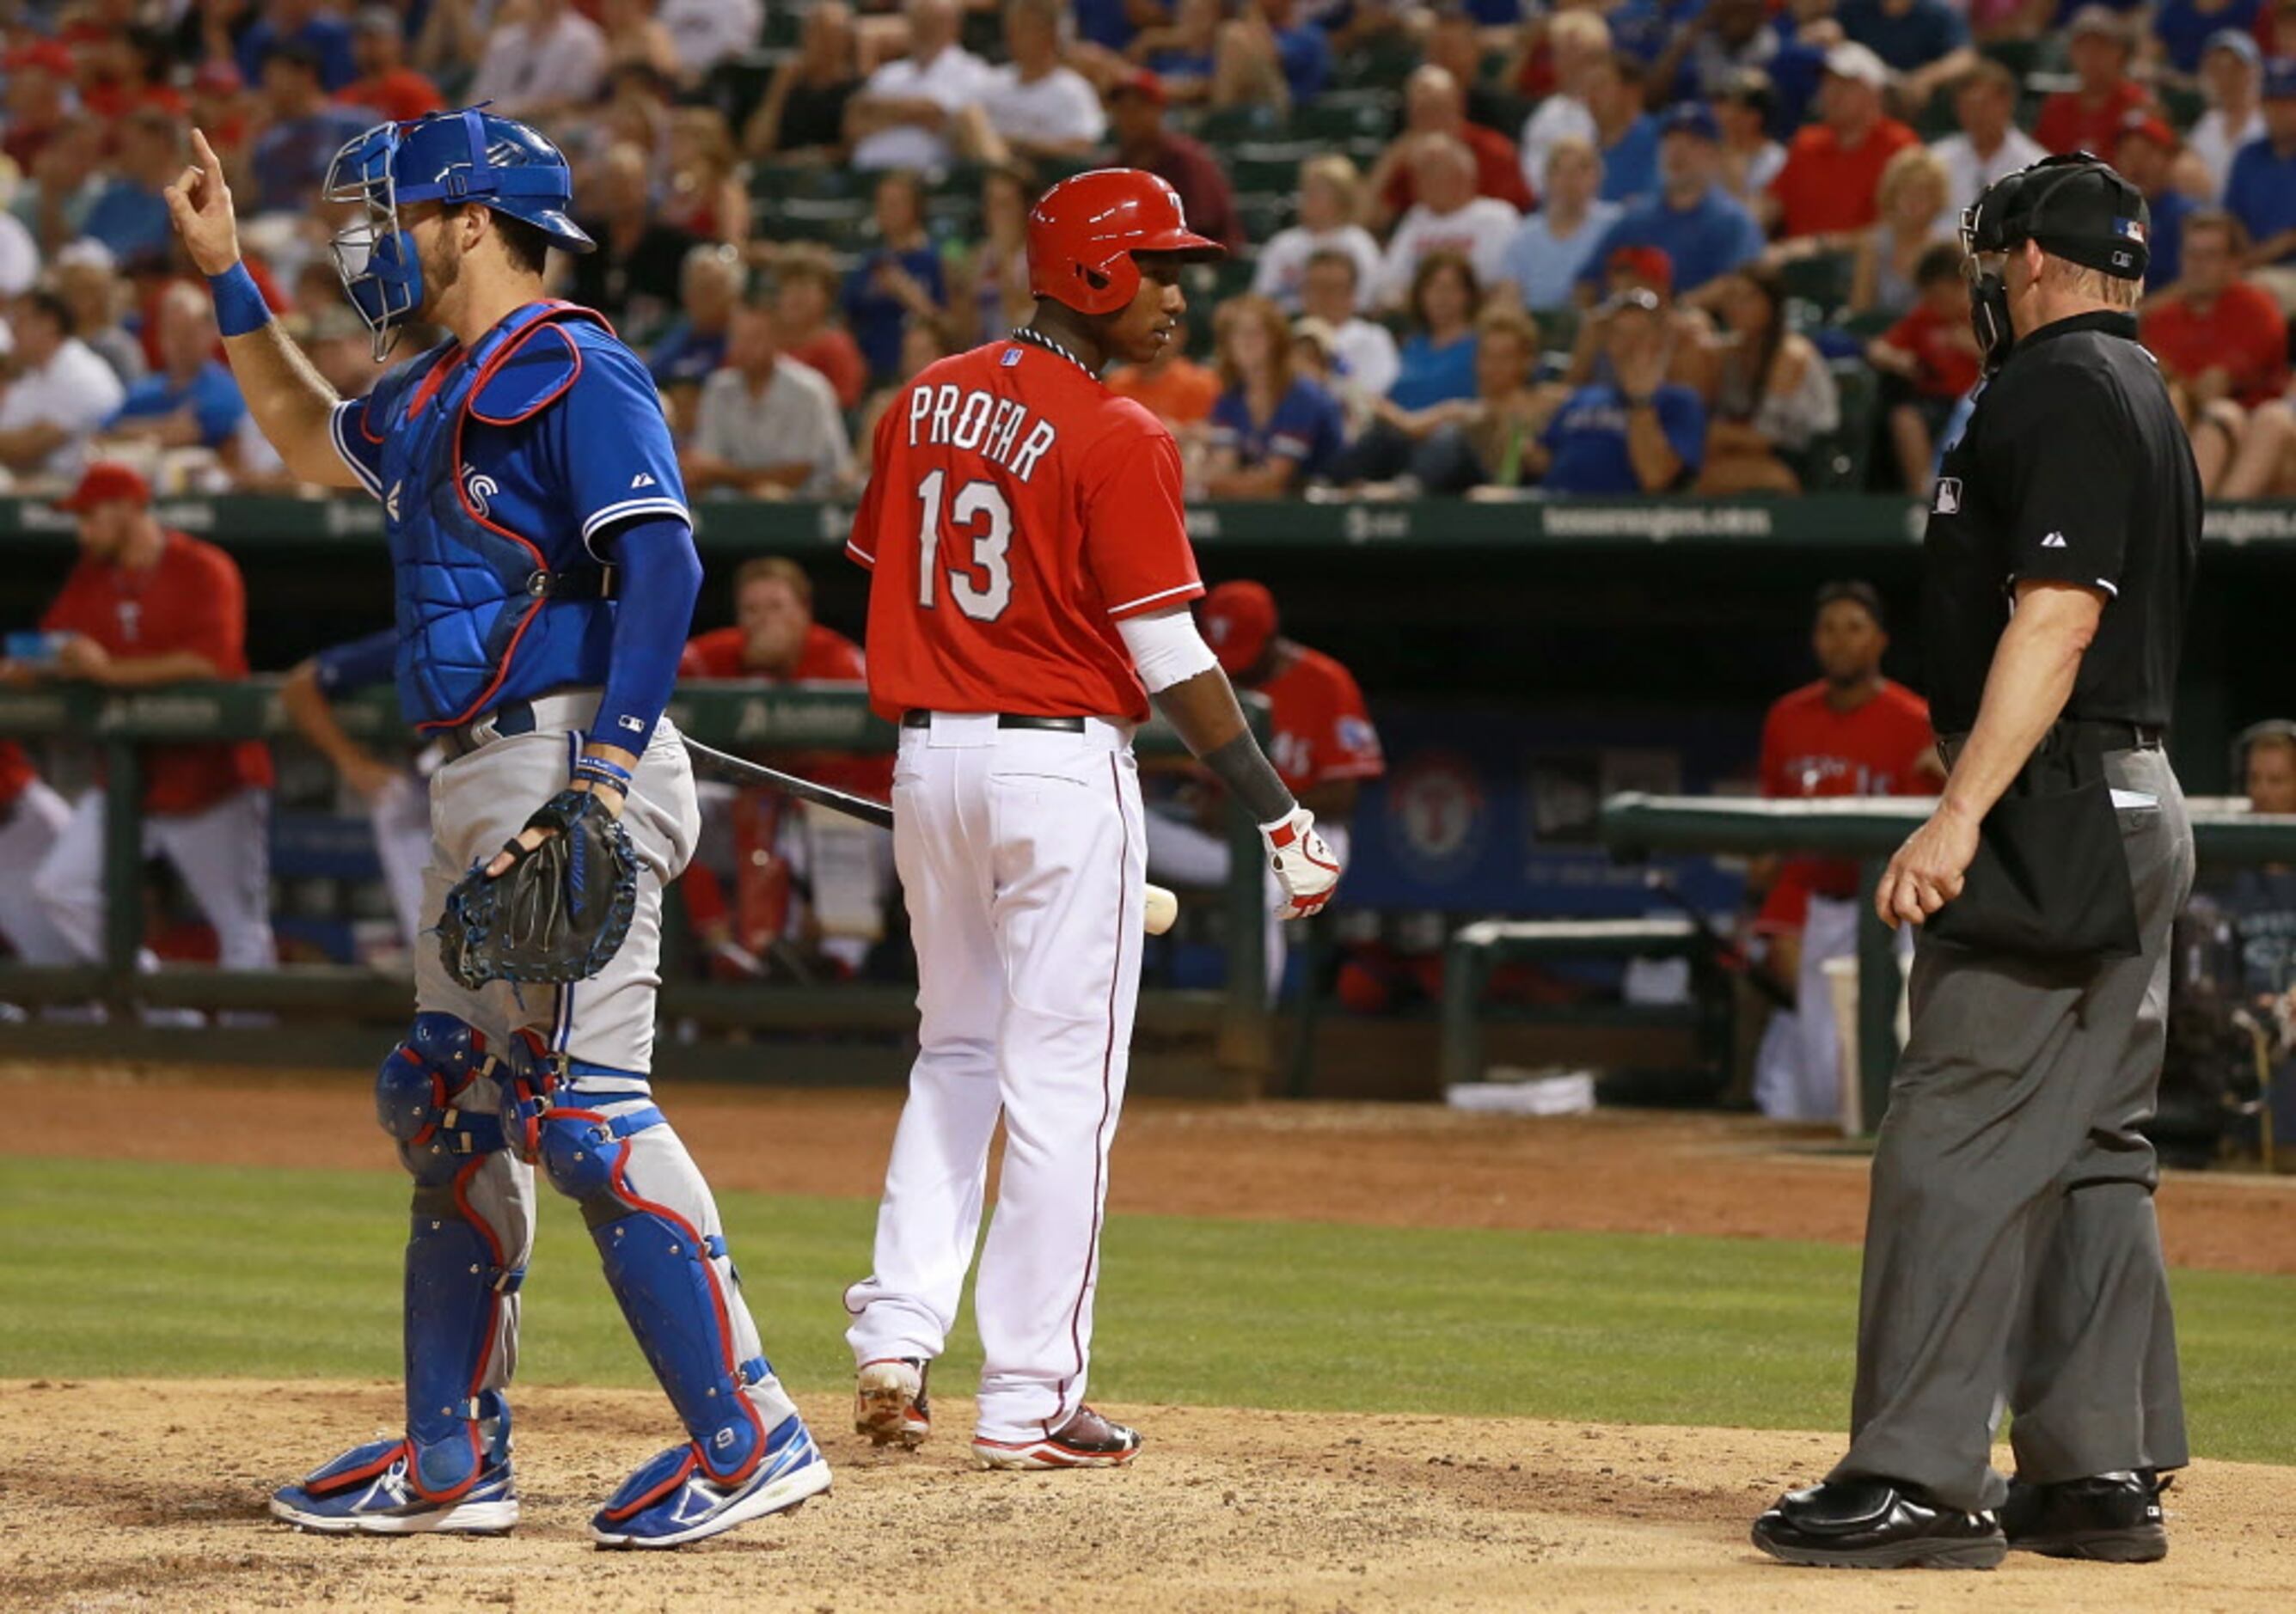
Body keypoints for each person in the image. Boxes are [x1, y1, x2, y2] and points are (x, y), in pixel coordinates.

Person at [169, 105, 830, 1544]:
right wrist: (228, 276)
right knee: (449, 1095)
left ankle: (752, 1431)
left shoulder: (574, 361)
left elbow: (660, 560)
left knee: (586, 1115)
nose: (376, 241)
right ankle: (453, 1455)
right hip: (475, 775)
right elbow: (294, 432)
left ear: (471, 221)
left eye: (398, 213)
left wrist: (609, 767)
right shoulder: (427, 388)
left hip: (567, 765)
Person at [840, 168, 1340, 1469]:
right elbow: (1169, 654)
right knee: (1059, 1084)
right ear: (1096, 274)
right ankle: (1027, 1397)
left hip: (927, 760)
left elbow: (885, 580)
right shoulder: (1119, 431)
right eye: (1161, 269)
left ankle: (894, 1335)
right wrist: (1280, 816)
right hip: (1059, 764)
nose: (1179, 295)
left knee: (952, 1053)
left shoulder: (920, 400)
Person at [1754, 153, 2200, 1571]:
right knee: (2087, 1145)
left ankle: (1919, 1474)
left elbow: (2057, 616)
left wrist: (1957, 811)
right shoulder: (2142, 385)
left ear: (2023, 261)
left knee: (1952, 1118)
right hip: (2129, 794)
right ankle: (2092, 1469)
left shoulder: (2061, 385)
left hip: (2056, 800)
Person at [21, 462, 278, 981]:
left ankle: (248, 1047)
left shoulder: (204, 567)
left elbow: (210, 661)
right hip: (128, 780)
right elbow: (54, 643)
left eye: (90, 517)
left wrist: (108, 672)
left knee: (239, 926)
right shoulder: (93, 575)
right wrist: (41, 662)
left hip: (212, 780)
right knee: (60, 887)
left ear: (128, 509)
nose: (82, 530)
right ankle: (166, 1015)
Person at [1746, 582, 1939, 1123]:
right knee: (1817, 1067)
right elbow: (1773, 829)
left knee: (1896, 1043)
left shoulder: (1916, 720)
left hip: (1893, 907)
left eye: (1854, 628)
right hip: (1816, 898)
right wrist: (1774, 911)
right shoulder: (1787, 717)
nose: (1840, 641)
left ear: (1879, 640)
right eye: (1829, 629)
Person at [1146, 579, 1382, 991]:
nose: (1234, 668)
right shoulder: (1205, 681)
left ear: (1272, 637)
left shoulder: (1327, 682)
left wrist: (1249, 814)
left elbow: (1343, 797)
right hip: (1219, 840)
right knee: (1115, 825)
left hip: (1304, 840)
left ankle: (1248, 1034)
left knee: (1265, 893)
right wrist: (1199, 796)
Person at [677, 559, 890, 978]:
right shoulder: (719, 656)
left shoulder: (843, 664)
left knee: (820, 831)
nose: (763, 620)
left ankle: (838, 970)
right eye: (751, 610)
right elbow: (661, 673)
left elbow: (884, 770)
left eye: (776, 607)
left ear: (803, 611)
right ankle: (725, 951)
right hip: (760, 820)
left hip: (851, 820)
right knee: (687, 803)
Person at [280, 630, 434, 949]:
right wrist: (353, 763)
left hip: (503, 794)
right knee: (394, 798)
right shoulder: (426, 638)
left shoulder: (529, 637)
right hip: (435, 793)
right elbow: (299, 687)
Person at [2148, 211, 2288, 491]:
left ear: (2233, 262)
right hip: (2189, 430)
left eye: (2210, 256)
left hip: (2255, 431)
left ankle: (2205, 520)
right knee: (2175, 400)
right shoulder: (2160, 321)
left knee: (2231, 415)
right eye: (2191, 255)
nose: (2198, 266)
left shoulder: (2258, 309)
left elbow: (2214, 387)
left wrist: (2182, 382)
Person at [1577, 104, 1765, 302]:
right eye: (1670, 141)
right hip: (1631, 325)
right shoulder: (1637, 216)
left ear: (1714, 155)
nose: (1678, 151)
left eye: (1693, 143)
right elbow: (1587, 280)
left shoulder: (1731, 221)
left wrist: (1677, 309)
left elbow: (1741, 283)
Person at [1529, 288, 1706, 493]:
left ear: (1658, 342)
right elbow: (1540, 460)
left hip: (1620, 519)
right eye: (1620, 334)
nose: (1628, 345)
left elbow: (1655, 478)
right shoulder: (1583, 397)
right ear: (1608, 343)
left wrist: (1641, 401)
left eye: (1639, 335)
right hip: (1552, 509)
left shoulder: (1680, 401)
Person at [683, 298, 854, 498]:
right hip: (740, 504)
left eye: (754, 338)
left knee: (773, 494)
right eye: (737, 338)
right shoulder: (718, 388)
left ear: (777, 339)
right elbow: (705, 463)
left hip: (815, 506)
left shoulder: (809, 390)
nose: (744, 347)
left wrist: (724, 474)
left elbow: (795, 475)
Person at [1693, 263, 1840, 493]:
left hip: (1801, 458)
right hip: (1745, 452)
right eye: (1730, 297)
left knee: (1706, 477)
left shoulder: (1791, 354)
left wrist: (1717, 434)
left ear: (1772, 304)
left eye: (1748, 298)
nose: (1736, 307)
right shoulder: (1728, 353)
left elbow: (1769, 436)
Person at [1766, 43, 1920, 241]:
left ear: (1874, 93)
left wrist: (1825, 246)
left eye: (1845, 85)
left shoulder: (1900, 145)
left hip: (1865, 265)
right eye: (1827, 83)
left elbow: (1901, 225)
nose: (1832, 93)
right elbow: (1771, 204)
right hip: (1795, 264)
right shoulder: (1806, 142)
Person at [1199, 293, 1349, 495]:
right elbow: (1222, 465)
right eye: (1235, 334)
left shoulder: (1301, 395)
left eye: (1255, 333)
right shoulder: (1231, 396)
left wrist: (1207, 484)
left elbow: (1274, 481)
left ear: (1276, 340)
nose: (1245, 342)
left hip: (1329, 502)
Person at [1867, 241, 1984, 492]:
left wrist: (1975, 348)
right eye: (1929, 297)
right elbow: (1877, 349)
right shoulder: (1925, 318)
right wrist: (1899, 359)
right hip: (1933, 402)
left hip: (1976, 403)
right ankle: (1925, 494)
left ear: (1961, 286)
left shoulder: (1984, 317)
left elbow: (2011, 359)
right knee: (1905, 417)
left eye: (1940, 297)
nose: (1934, 304)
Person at [1368, 65, 1534, 227]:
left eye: (1437, 108)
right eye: (1421, 112)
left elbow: (1518, 215)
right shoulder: (1405, 160)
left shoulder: (1492, 149)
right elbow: (1369, 219)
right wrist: (1389, 162)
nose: (1431, 120)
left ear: (1459, 106)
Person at [565, 143, 700, 341]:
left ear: (646, 185)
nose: (620, 192)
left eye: (627, 182)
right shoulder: (584, 241)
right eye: (612, 182)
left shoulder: (674, 244)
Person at [847, 0, 993, 174]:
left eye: (932, 21)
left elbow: (938, 116)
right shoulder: (888, 73)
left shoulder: (972, 70)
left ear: (955, 25)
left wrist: (881, 112)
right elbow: (854, 122)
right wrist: (915, 112)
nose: (924, 29)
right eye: (917, 20)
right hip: (866, 176)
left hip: (927, 181)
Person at [1105, 70, 1244, 250]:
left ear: (1160, 110)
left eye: (1139, 107)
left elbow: (1204, 227)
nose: (1130, 117)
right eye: (1122, 110)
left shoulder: (1189, 160)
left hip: (1199, 261)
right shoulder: (1111, 170)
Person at [1375, 136, 1522, 306]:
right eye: (1419, 173)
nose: (1419, 182)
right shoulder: (1416, 217)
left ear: (1463, 175)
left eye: (1432, 171)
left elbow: (1501, 281)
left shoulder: (1497, 217)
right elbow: (1391, 281)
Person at [105, 281, 248, 452]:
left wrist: (131, 430)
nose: (180, 343)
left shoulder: (226, 390)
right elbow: (104, 431)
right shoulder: (143, 390)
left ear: (211, 334)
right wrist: (166, 425)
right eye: (172, 331)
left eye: (189, 332)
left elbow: (186, 433)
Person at [0, 289, 126, 480]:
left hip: (91, 493)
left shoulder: (81, 373)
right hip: (46, 488)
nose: (13, 332)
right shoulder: (34, 374)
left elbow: (27, 448)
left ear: (49, 324)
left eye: (20, 321)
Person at [842, 169, 949, 382]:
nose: (887, 210)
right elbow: (847, 320)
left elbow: (955, 330)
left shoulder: (938, 261)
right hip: (874, 375)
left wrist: (911, 297)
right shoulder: (871, 264)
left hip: (926, 374)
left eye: (896, 203)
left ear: (916, 208)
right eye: (882, 203)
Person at [1251, 156, 1385, 313]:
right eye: (1307, 190)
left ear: (1342, 198)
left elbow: (1367, 299)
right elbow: (1261, 300)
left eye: (1319, 191)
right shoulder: (1283, 243)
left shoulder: (1358, 242)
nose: (1309, 198)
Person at [980, 0, 1107, 160]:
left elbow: (1084, 146)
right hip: (987, 167)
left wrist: (1023, 145)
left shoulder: (1073, 90)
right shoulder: (993, 81)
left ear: (1051, 34)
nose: (1012, 36)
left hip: (1041, 174)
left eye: (1025, 28)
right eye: (1011, 28)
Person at [744, 0, 861, 162]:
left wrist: (808, 158)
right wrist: (778, 89)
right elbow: (755, 147)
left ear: (845, 40)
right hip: (780, 172)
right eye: (813, 32)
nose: (820, 43)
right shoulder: (789, 85)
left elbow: (854, 147)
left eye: (828, 34)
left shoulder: (856, 89)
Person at [1929, 59, 2048, 219]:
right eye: (1967, 106)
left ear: (2007, 103)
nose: (1976, 115)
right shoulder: (1936, 161)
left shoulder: (2036, 166)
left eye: (1984, 105)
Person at [649, 241, 746, 437]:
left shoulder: (743, 341)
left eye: (710, 289)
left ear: (734, 296)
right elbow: (649, 382)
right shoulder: (678, 338)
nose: (699, 297)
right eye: (693, 287)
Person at [1846, 145, 1955, 317]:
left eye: (1923, 194)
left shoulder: (1945, 249)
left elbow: (1949, 312)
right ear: (1892, 196)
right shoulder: (1873, 244)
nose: (1913, 201)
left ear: (1937, 200)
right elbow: (1860, 311)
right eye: (1906, 191)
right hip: (1878, 337)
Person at [2036, 9, 2152, 158]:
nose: (2092, 56)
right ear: (2071, 53)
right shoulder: (2056, 107)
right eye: (2083, 48)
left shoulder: (2139, 103)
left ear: (2120, 53)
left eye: (2101, 47)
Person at [465, 0, 609, 122]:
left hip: (548, 128)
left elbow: (576, 100)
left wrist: (516, 111)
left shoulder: (585, 39)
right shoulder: (504, 40)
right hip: (495, 125)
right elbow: (478, 95)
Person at [773, 244, 870, 411]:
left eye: (804, 287)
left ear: (827, 298)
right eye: (788, 286)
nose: (795, 295)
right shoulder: (763, 343)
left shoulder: (837, 347)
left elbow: (845, 406)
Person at [2224, 59, 2296, 277]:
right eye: (2271, 102)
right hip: (2249, 266)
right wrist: (2244, 257)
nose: (2278, 111)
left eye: (2287, 102)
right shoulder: (2249, 154)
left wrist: (2250, 261)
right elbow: (2232, 217)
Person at [1301, 248, 1402, 399]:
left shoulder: (1373, 338)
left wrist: (1321, 378)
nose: (1322, 297)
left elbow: (1373, 398)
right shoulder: (1286, 337)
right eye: (1315, 287)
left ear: (1351, 294)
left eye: (1332, 289)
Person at [2115, 114, 2195, 289]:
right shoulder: (2106, 212)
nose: (2137, 164)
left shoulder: (2186, 215)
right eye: (2128, 153)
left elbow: (2196, 284)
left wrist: (2144, 311)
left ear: (2169, 161)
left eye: (2146, 154)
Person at [2188, 31, 2266, 200]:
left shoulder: (2268, 122)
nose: (2228, 76)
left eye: (2237, 67)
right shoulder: (2206, 126)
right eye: (2218, 68)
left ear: (2255, 71)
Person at [339, 5, 444, 124]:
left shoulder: (414, 89)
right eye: (360, 39)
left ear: (398, 43)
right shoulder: (347, 96)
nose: (368, 46)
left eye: (376, 39)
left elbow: (436, 132)